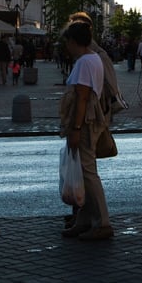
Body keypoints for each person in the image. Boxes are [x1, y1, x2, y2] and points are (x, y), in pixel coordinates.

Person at [60, 19, 115, 241]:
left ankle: (102, 222)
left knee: (88, 172)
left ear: (74, 42)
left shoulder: (84, 62)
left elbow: (82, 98)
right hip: (90, 121)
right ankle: (84, 220)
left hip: (84, 123)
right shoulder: (94, 58)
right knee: (84, 172)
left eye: (68, 43)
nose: (66, 47)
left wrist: (75, 128)